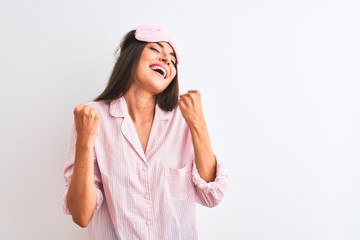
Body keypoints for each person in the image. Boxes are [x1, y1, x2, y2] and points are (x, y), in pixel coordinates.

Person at [62, 24, 228, 240]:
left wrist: (199, 124)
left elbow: (211, 196)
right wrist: (85, 142)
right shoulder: (91, 118)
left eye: (172, 59)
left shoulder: (183, 119)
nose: (167, 59)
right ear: (131, 56)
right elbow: (81, 215)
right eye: (156, 49)